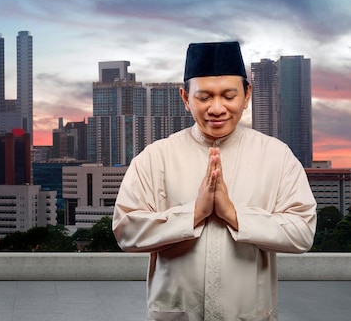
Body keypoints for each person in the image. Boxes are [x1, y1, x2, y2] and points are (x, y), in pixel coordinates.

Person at [112, 41, 316, 320]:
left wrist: (233, 214)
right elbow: (125, 230)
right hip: (177, 314)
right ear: (185, 98)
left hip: (249, 314)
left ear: (247, 96)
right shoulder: (155, 157)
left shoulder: (277, 157)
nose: (217, 108)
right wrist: (195, 213)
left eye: (229, 96)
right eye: (204, 97)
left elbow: (303, 231)